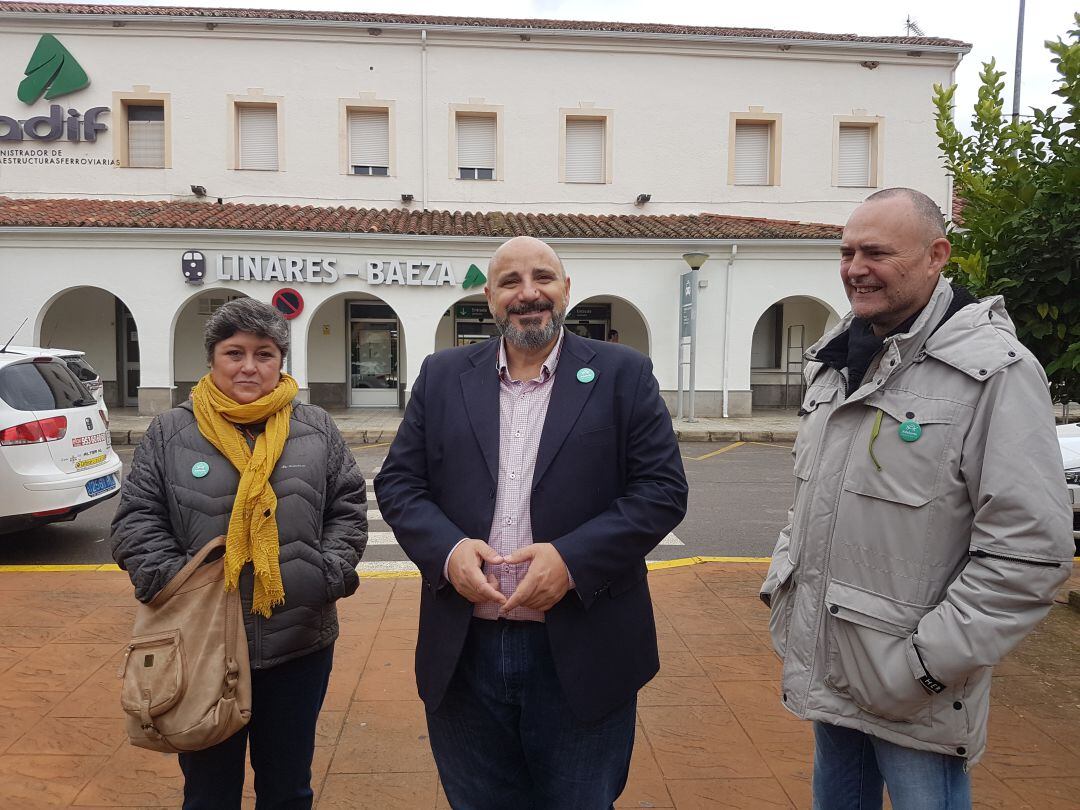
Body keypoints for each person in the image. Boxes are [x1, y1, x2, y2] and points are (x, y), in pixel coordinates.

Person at [760, 188, 1073, 809]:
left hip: (913, 687)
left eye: (876, 252)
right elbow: (814, 503)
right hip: (830, 661)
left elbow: (1031, 551)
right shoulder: (835, 362)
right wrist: (783, 588)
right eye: (847, 252)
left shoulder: (994, 371)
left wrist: (926, 665)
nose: (854, 268)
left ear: (937, 255)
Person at [375, 235, 687, 809]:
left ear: (565, 290)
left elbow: (662, 491)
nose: (528, 293)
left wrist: (572, 561)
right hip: (466, 649)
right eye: (510, 282)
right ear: (489, 298)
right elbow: (399, 483)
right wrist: (447, 551)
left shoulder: (623, 373)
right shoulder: (443, 375)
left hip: (583, 645)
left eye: (542, 277)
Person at [112, 298, 367, 810]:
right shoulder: (172, 432)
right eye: (235, 353)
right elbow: (137, 520)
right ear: (212, 359)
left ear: (280, 362)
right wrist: (172, 582)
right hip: (200, 642)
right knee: (209, 792)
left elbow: (347, 508)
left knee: (288, 787)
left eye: (264, 354)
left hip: (298, 638)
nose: (249, 366)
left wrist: (326, 574)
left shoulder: (315, 428)